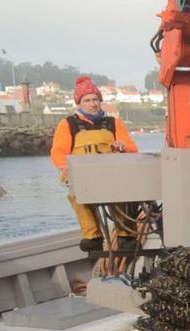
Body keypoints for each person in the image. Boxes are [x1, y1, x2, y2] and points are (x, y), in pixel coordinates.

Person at [49, 76, 139, 252]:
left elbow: (133, 149)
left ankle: (125, 236)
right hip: (83, 176)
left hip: (112, 175)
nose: (92, 104)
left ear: (100, 101)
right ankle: (93, 237)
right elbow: (58, 151)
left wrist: (122, 147)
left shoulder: (114, 123)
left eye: (95, 99)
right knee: (76, 196)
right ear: (79, 103)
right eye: (87, 100)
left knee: (127, 193)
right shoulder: (68, 124)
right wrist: (65, 168)